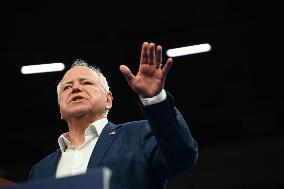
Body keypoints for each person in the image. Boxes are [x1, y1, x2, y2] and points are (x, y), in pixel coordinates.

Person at [28, 42, 198, 189]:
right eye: (67, 87)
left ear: (108, 100)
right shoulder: (40, 170)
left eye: (86, 83)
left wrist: (154, 98)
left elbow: (182, 158)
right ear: (60, 109)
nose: (75, 88)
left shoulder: (138, 135)